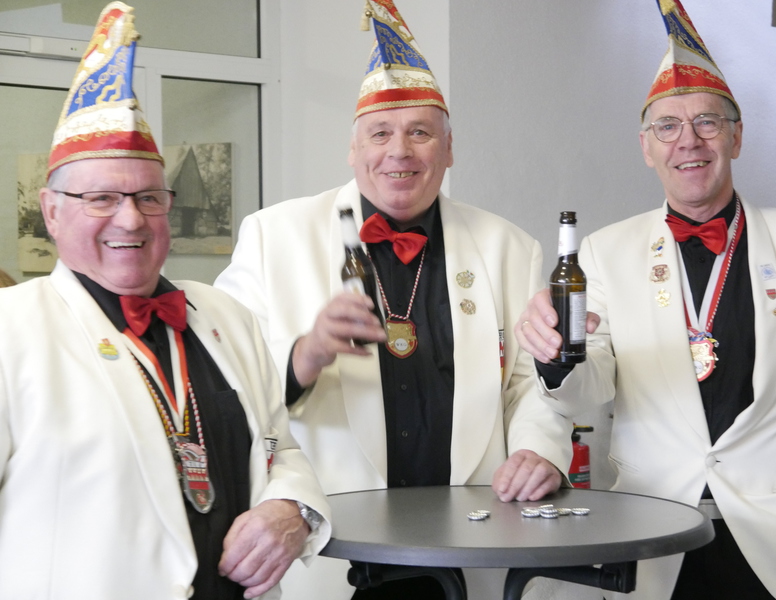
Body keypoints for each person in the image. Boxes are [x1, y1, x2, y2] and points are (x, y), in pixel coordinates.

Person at [215, 1, 572, 598]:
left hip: (473, 544)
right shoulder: (273, 236)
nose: (399, 151)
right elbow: (226, 384)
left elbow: (527, 384)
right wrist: (305, 354)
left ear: (449, 149)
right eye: (380, 133)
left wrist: (541, 451)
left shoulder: (509, 247)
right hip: (331, 546)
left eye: (420, 133)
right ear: (353, 149)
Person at [0, 5, 330, 599]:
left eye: (149, 197)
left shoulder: (227, 316)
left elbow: (279, 447)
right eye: (102, 198)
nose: (131, 218)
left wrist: (293, 508)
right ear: (51, 212)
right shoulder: (10, 331)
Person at [516, 1, 776, 599]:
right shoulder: (604, 251)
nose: (688, 140)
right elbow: (591, 387)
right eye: (667, 126)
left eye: (708, 122)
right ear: (646, 147)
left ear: (737, 137)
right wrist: (556, 355)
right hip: (656, 528)